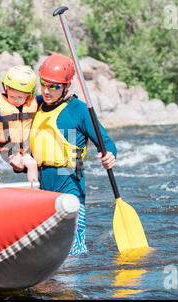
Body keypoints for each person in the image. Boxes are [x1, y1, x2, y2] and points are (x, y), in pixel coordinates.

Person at [30, 54, 117, 255]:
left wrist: (110, 154)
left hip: (68, 181)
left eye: (54, 86)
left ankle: (75, 283)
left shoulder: (79, 110)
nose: (46, 90)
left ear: (66, 86)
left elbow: (107, 142)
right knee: (45, 251)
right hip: (40, 184)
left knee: (71, 253)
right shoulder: (35, 104)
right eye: (43, 84)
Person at [0, 65, 38, 182]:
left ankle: (34, 189)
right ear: (6, 91)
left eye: (20, 97)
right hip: (8, 148)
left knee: (32, 163)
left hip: (24, 147)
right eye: (12, 96)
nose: (15, 100)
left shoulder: (32, 104)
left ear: (28, 96)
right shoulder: (2, 108)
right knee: (19, 163)